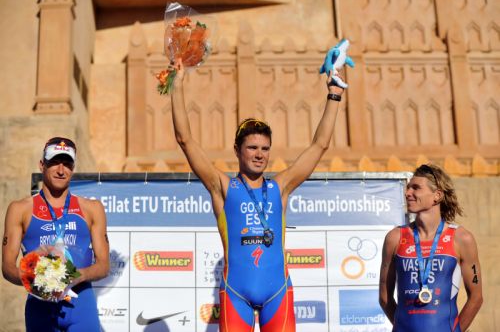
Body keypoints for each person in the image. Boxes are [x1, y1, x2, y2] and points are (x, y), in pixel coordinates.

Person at [170, 59, 345, 331]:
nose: (259, 154)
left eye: (264, 148)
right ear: (237, 150)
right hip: (235, 292)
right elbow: (185, 139)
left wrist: (334, 94)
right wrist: (177, 83)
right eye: (252, 147)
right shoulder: (223, 186)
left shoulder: (281, 186)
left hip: (278, 291)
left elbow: (319, 145)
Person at [2, 137, 110, 332]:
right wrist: (34, 279)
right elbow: (7, 266)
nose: (61, 170)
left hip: (81, 308)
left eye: (67, 164)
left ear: (73, 167)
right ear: (42, 165)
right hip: (40, 310)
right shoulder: (20, 209)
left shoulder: (92, 209)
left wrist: (77, 276)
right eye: (54, 163)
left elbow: (104, 266)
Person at [379, 164, 483, 332]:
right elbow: (385, 298)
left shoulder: (462, 238)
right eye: (407, 188)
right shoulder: (395, 237)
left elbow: (476, 298)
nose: (407, 193)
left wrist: (455, 330)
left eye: (416, 188)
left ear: (437, 195)